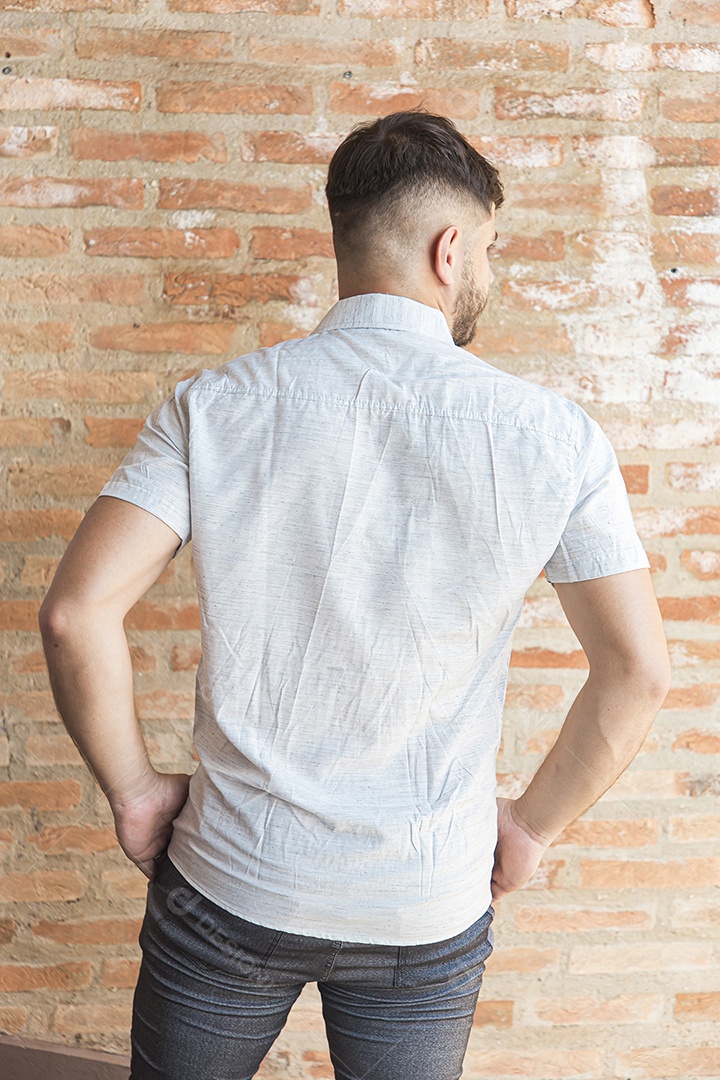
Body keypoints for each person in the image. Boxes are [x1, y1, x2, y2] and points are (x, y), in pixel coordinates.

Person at [39, 108, 672, 1080]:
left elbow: (76, 612)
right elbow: (635, 673)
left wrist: (133, 794)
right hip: (424, 900)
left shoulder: (216, 405)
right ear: (450, 250)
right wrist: (531, 826)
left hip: (231, 878)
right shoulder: (557, 438)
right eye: (490, 250)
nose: (487, 272)